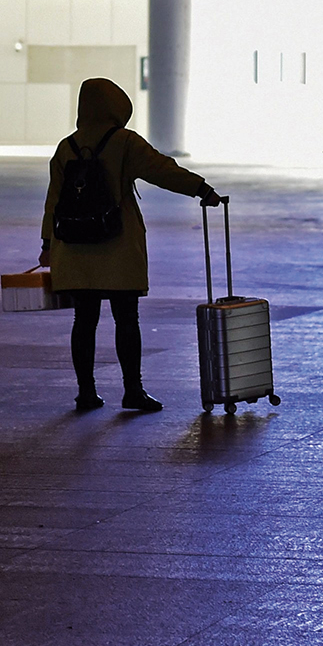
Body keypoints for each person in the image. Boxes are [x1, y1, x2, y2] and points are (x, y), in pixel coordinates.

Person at [40, 78, 221, 413]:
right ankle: (132, 390)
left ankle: (86, 392)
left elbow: (53, 201)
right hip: (115, 245)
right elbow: (162, 170)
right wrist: (201, 189)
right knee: (126, 319)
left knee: (84, 320)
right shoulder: (123, 141)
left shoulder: (66, 147)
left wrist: (47, 243)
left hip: (74, 245)